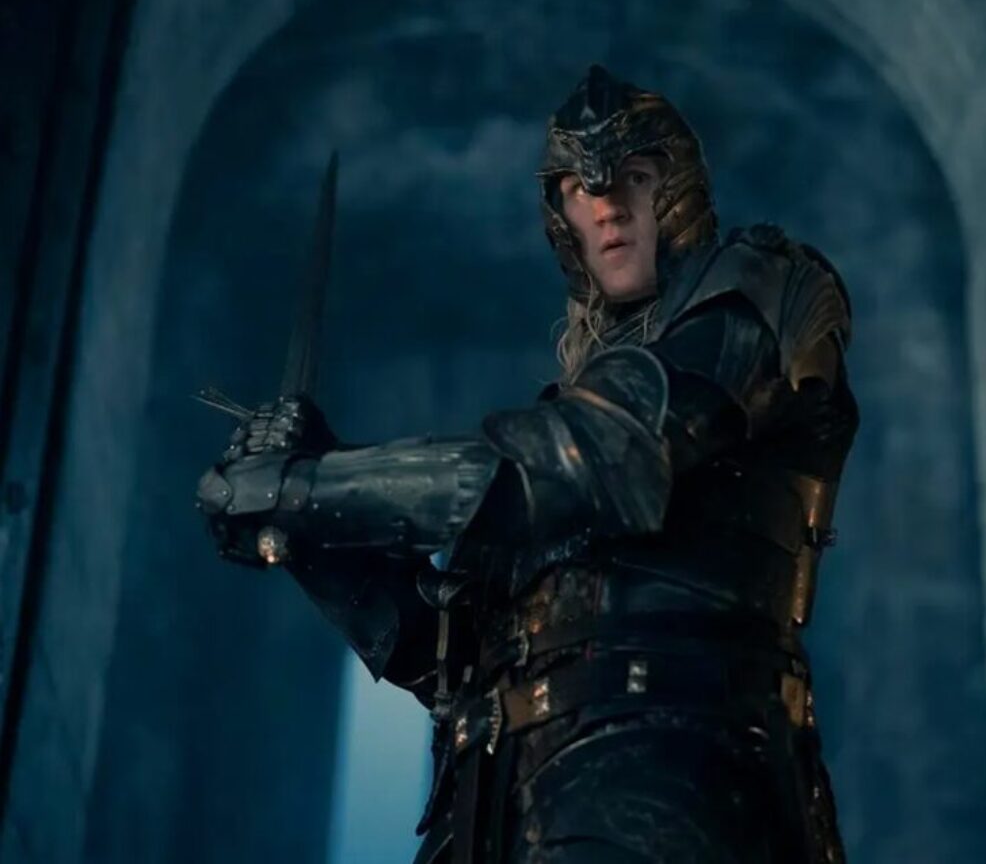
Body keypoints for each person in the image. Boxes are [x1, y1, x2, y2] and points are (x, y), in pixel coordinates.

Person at [197, 64, 859, 864]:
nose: (607, 206)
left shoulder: (762, 289)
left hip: (671, 779)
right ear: (561, 217)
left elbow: (610, 455)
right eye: (580, 189)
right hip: (503, 809)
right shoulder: (552, 437)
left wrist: (310, 487)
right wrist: (308, 537)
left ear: (675, 188)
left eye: (633, 177)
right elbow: (453, 656)